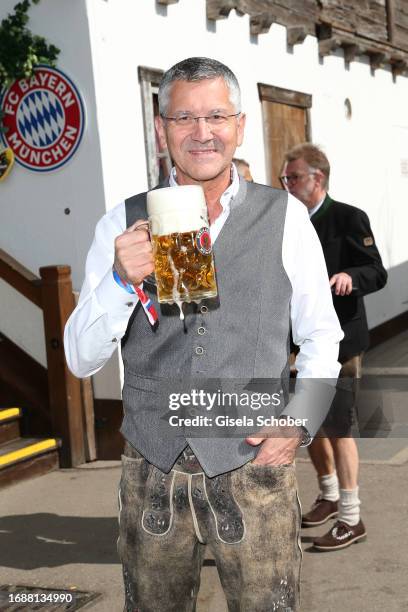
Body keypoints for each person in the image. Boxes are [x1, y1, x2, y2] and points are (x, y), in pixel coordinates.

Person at [64, 58, 343, 611]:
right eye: (184, 117)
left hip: (252, 463)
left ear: (239, 125)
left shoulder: (285, 216)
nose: (201, 131)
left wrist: (298, 423)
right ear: (162, 127)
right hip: (152, 467)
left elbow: (322, 335)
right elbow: (79, 358)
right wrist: (121, 281)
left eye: (216, 115)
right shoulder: (120, 222)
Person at [282, 143, 387, 552]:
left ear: (317, 179)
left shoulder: (347, 217)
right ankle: (328, 495)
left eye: (293, 178)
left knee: (339, 426)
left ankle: (351, 517)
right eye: (284, 179)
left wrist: (349, 276)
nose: (286, 185)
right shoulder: (287, 221)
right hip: (298, 342)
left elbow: (376, 271)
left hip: (342, 340)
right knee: (312, 423)